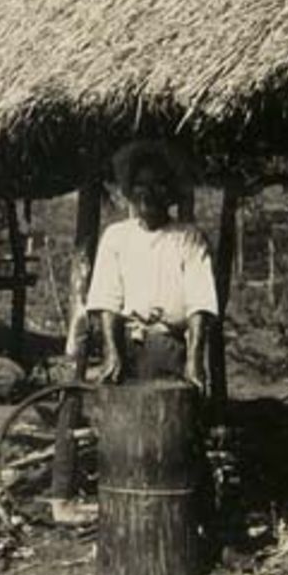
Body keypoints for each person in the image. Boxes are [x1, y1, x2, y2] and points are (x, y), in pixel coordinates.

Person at [87, 140, 219, 389]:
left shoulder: (189, 238)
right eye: (140, 185)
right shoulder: (116, 236)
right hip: (125, 349)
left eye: (157, 185)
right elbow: (106, 300)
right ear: (130, 190)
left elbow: (199, 304)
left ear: (169, 193)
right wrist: (111, 353)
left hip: (171, 349)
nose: (147, 193)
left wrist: (194, 360)